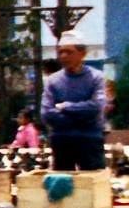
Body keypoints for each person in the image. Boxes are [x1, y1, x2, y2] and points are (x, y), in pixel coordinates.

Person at [42, 32, 107, 170]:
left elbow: (96, 108)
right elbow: (47, 113)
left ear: (82, 53)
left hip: (90, 140)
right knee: (62, 186)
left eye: (69, 52)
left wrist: (66, 107)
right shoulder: (53, 81)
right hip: (62, 140)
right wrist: (82, 117)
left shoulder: (96, 78)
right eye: (61, 52)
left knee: (92, 184)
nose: (64, 56)